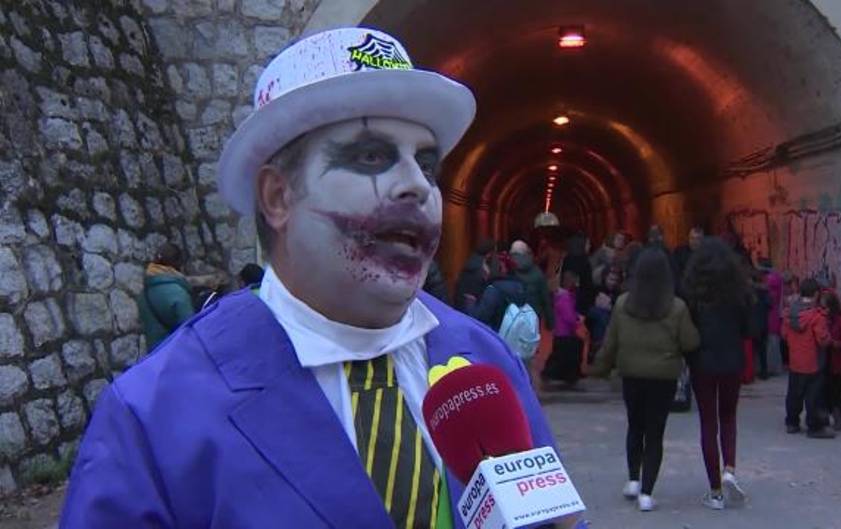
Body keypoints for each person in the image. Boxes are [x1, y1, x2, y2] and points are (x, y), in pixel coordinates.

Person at [61, 28, 583, 529]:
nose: (416, 187)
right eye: (373, 156)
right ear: (278, 197)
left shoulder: (484, 358)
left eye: (426, 165)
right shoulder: (151, 417)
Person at [589, 248, 700, 512]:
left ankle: (633, 480)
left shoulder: (623, 303)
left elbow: (611, 342)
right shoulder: (676, 307)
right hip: (663, 378)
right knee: (655, 433)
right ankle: (647, 495)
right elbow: (690, 342)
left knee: (634, 426)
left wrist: (600, 369)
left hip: (631, 375)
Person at [682, 238, 752, 510]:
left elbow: (686, 330)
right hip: (733, 361)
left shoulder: (692, 292)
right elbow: (750, 329)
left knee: (708, 422)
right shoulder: (739, 292)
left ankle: (715, 491)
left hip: (703, 362)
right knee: (729, 416)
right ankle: (730, 470)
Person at [782, 278, 835, 439]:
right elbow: (822, 339)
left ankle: (792, 422)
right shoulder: (817, 316)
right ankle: (815, 426)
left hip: (795, 360)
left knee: (794, 394)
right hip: (813, 361)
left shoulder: (790, 314)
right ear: (816, 294)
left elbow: (784, 334)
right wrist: (829, 340)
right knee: (814, 396)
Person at [137, 243, 195, 352]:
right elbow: (190, 331)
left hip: (156, 357)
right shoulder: (178, 294)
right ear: (177, 264)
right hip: (177, 355)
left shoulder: (142, 295)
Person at [543, 270, 584, 388]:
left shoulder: (559, 296)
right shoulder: (565, 297)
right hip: (566, 332)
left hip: (560, 331)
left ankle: (553, 375)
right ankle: (569, 376)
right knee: (566, 355)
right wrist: (577, 321)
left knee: (558, 355)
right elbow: (569, 316)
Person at [820, 290, 841, 431]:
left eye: (826, 307)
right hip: (822, 359)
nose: (824, 310)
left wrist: (836, 343)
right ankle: (826, 414)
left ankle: (838, 414)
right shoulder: (820, 318)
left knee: (836, 389)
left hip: (836, 359)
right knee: (824, 388)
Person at [471, 252, 526, 332]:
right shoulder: (520, 286)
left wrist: (470, 304)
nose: (484, 273)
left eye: (485, 270)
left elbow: (479, 319)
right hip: (514, 337)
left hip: (497, 337)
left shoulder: (493, 289)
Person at [510, 239, 555, 331]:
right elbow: (545, 298)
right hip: (533, 314)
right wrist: (550, 321)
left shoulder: (508, 271)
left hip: (513, 315)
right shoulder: (537, 272)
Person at [586, 265, 623, 363]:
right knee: (601, 315)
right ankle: (598, 348)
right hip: (594, 317)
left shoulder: (618, 294)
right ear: (605, 278)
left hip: (611, 320)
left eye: (615, 280)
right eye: (611, 279)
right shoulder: (597, 289)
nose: (613, 282)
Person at [455, 238, 495, 313]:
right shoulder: (483, 269)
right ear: (489, 253)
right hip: (474, 308)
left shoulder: (468, 262)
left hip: (461, 305)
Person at [562, 233, 595, 315]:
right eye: (587, 244)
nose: (589, 246)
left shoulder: (567, 259)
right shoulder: (583, 262)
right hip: (580, 305)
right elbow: (587, 286)